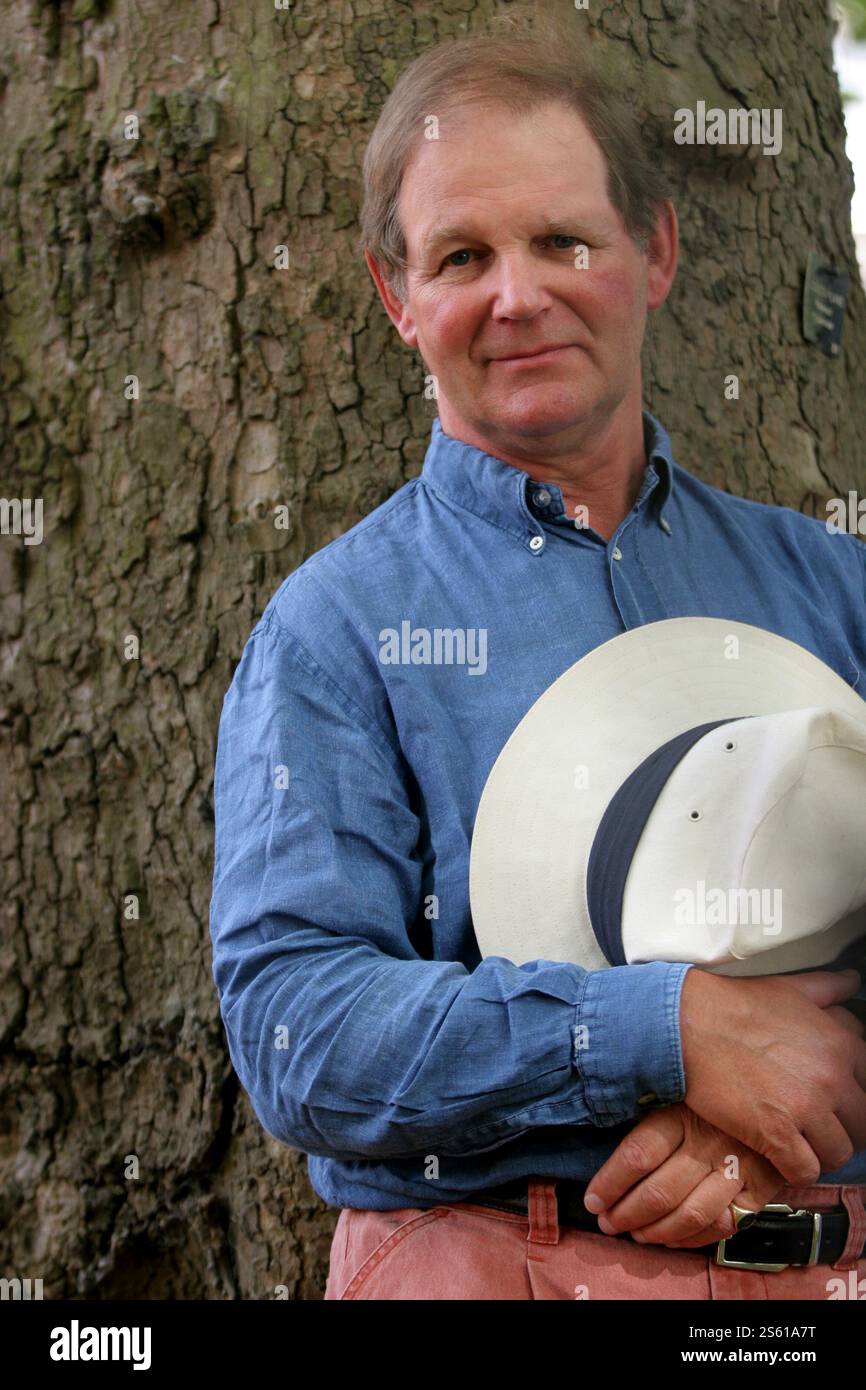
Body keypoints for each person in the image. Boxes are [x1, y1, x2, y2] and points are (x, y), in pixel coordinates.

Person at [208, 21, 866, 1299]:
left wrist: (786, 1101)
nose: (517, 294)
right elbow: (299, 1029)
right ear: (398, 297)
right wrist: (660, 1035)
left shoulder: (831, 587)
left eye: (562, 240)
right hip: (486, 1267)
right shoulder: (332, 630)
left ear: (653, 252)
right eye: (462, 255)